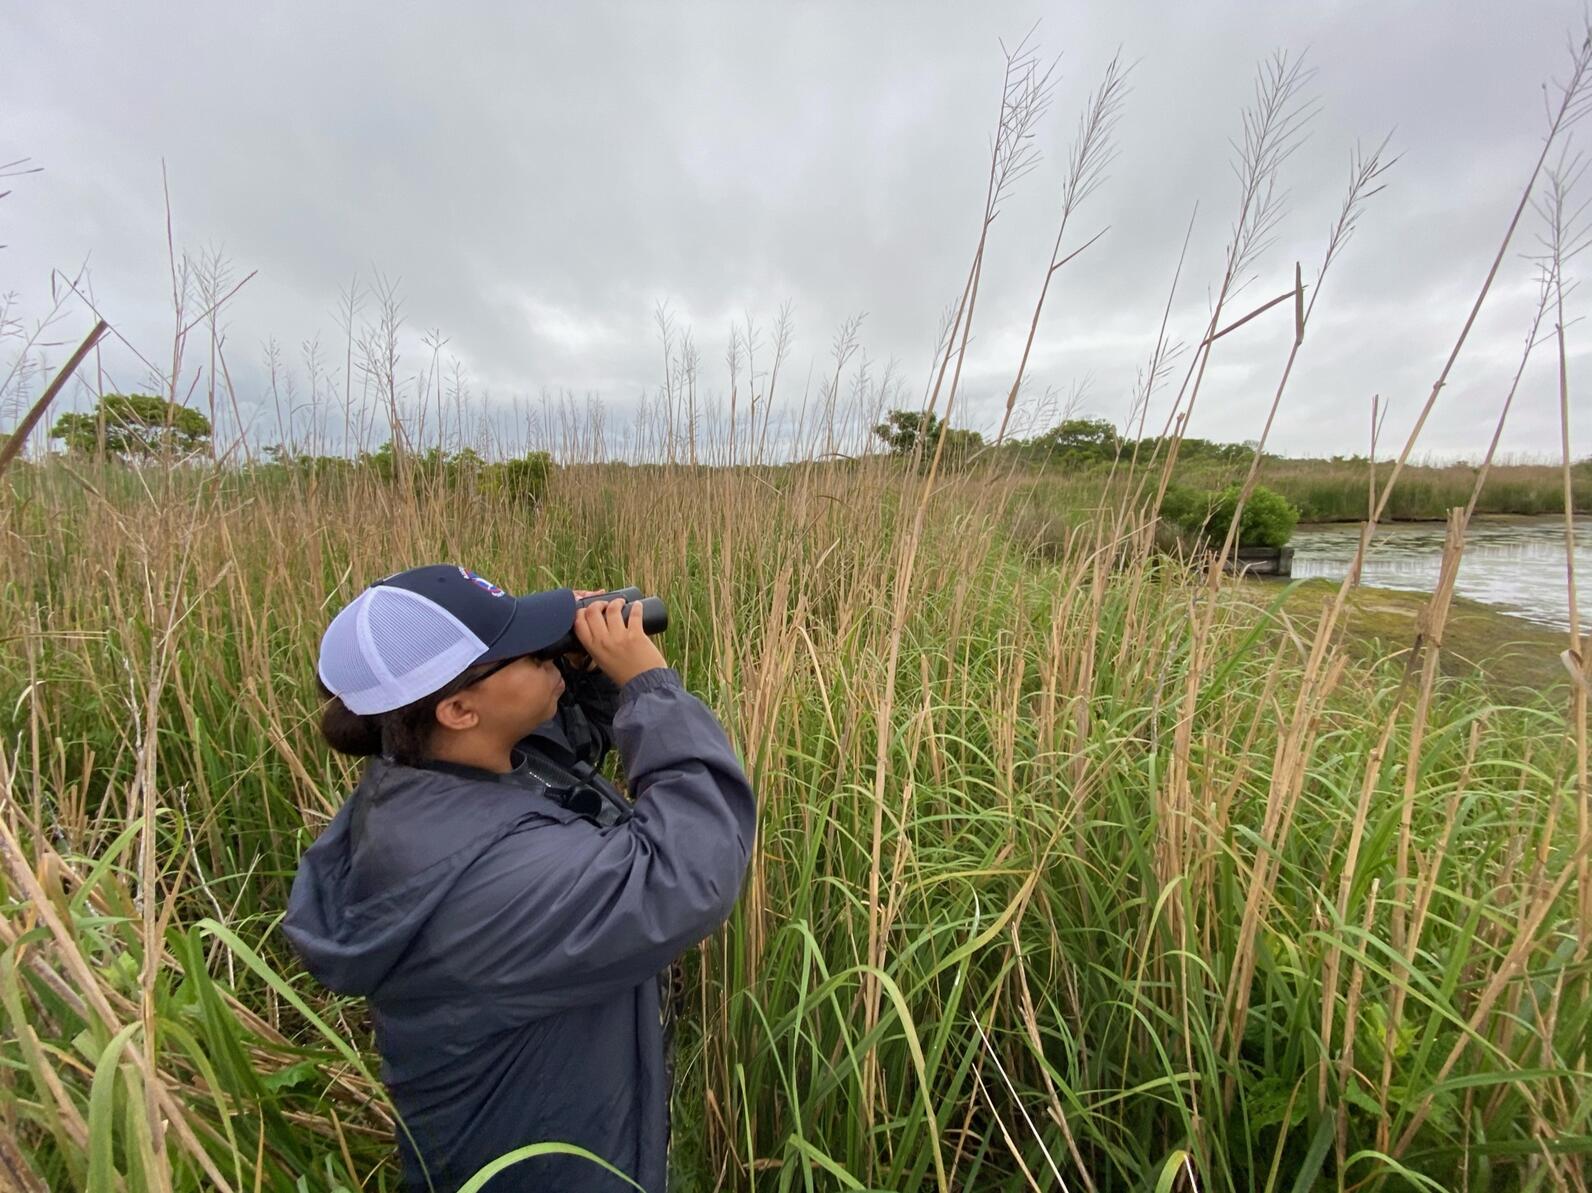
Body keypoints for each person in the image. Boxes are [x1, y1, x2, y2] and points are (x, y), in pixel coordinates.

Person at [283, 564, 756, 1192]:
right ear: (457, 708)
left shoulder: (431, 780)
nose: (547, 661)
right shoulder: (490, 882)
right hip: (544, 1171)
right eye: (527, 655)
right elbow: (689, 871)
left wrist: (576, 666)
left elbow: (559, 749)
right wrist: (650, 685)